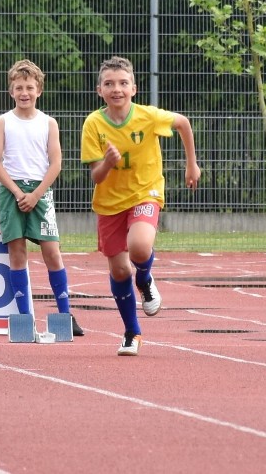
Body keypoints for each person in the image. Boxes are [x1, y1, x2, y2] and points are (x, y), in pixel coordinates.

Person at [81, 56, 200, 356]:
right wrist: (107, 162)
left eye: (123, 83)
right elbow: (96, 175)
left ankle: (145, 279)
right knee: (120, 270)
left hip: (145, 192)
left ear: (134, 88)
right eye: (109, 84)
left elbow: (183, 123)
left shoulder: (148, 116)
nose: (116, 89)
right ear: (99, 90)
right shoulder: (93, 124)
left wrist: (191, 166)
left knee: (139, 247)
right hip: (109, 204)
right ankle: (132, 332)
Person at [0, 59, 84, 337]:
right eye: (19, 87)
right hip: (12, 192)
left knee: (52, 252)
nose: (24, 93)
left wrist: (36, 194)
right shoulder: (2, 122)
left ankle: (65, 314)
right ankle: (24, 318)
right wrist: (19, 193)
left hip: (40, 192)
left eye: (29, 87)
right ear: (11, 91)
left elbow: (56, 163)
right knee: (17, 253)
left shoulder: (48, 123)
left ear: (39, 90)